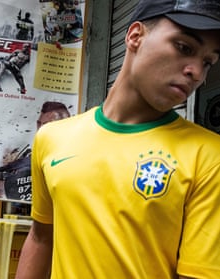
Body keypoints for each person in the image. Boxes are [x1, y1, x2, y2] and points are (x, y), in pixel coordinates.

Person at [16, 1, 220, 278]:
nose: (197, 72)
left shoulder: (209, 156)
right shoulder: (52, 138)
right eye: (184, 48)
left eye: (208, 62)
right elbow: (41, 239)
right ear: (135, 36)